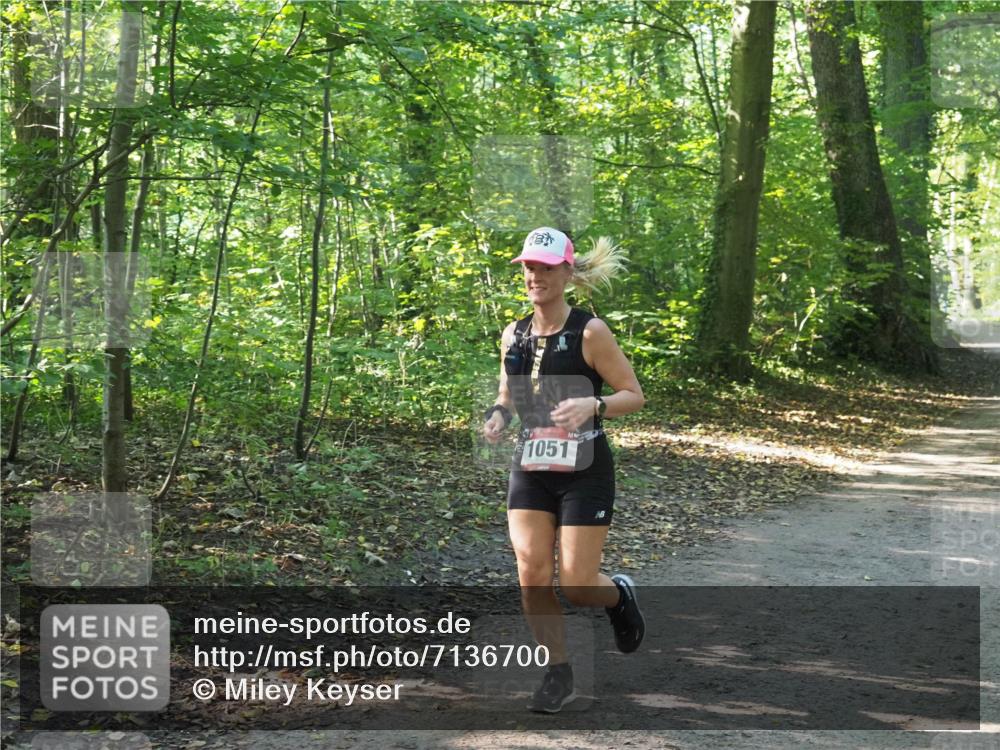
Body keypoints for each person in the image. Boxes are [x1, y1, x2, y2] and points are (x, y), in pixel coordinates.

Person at [482, 226, 646, 713]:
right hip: (531, 465)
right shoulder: (513, 333)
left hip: (585, 468)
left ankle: (617, 596)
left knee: (576, 583)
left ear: (567, 272)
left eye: (546, 268)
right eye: (529, 267)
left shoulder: (590, 332)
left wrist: (593, 405)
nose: (535, 276)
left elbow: (633, 396)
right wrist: (498, 416)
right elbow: (509, 396)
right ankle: (557, 671)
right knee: (531, 572)